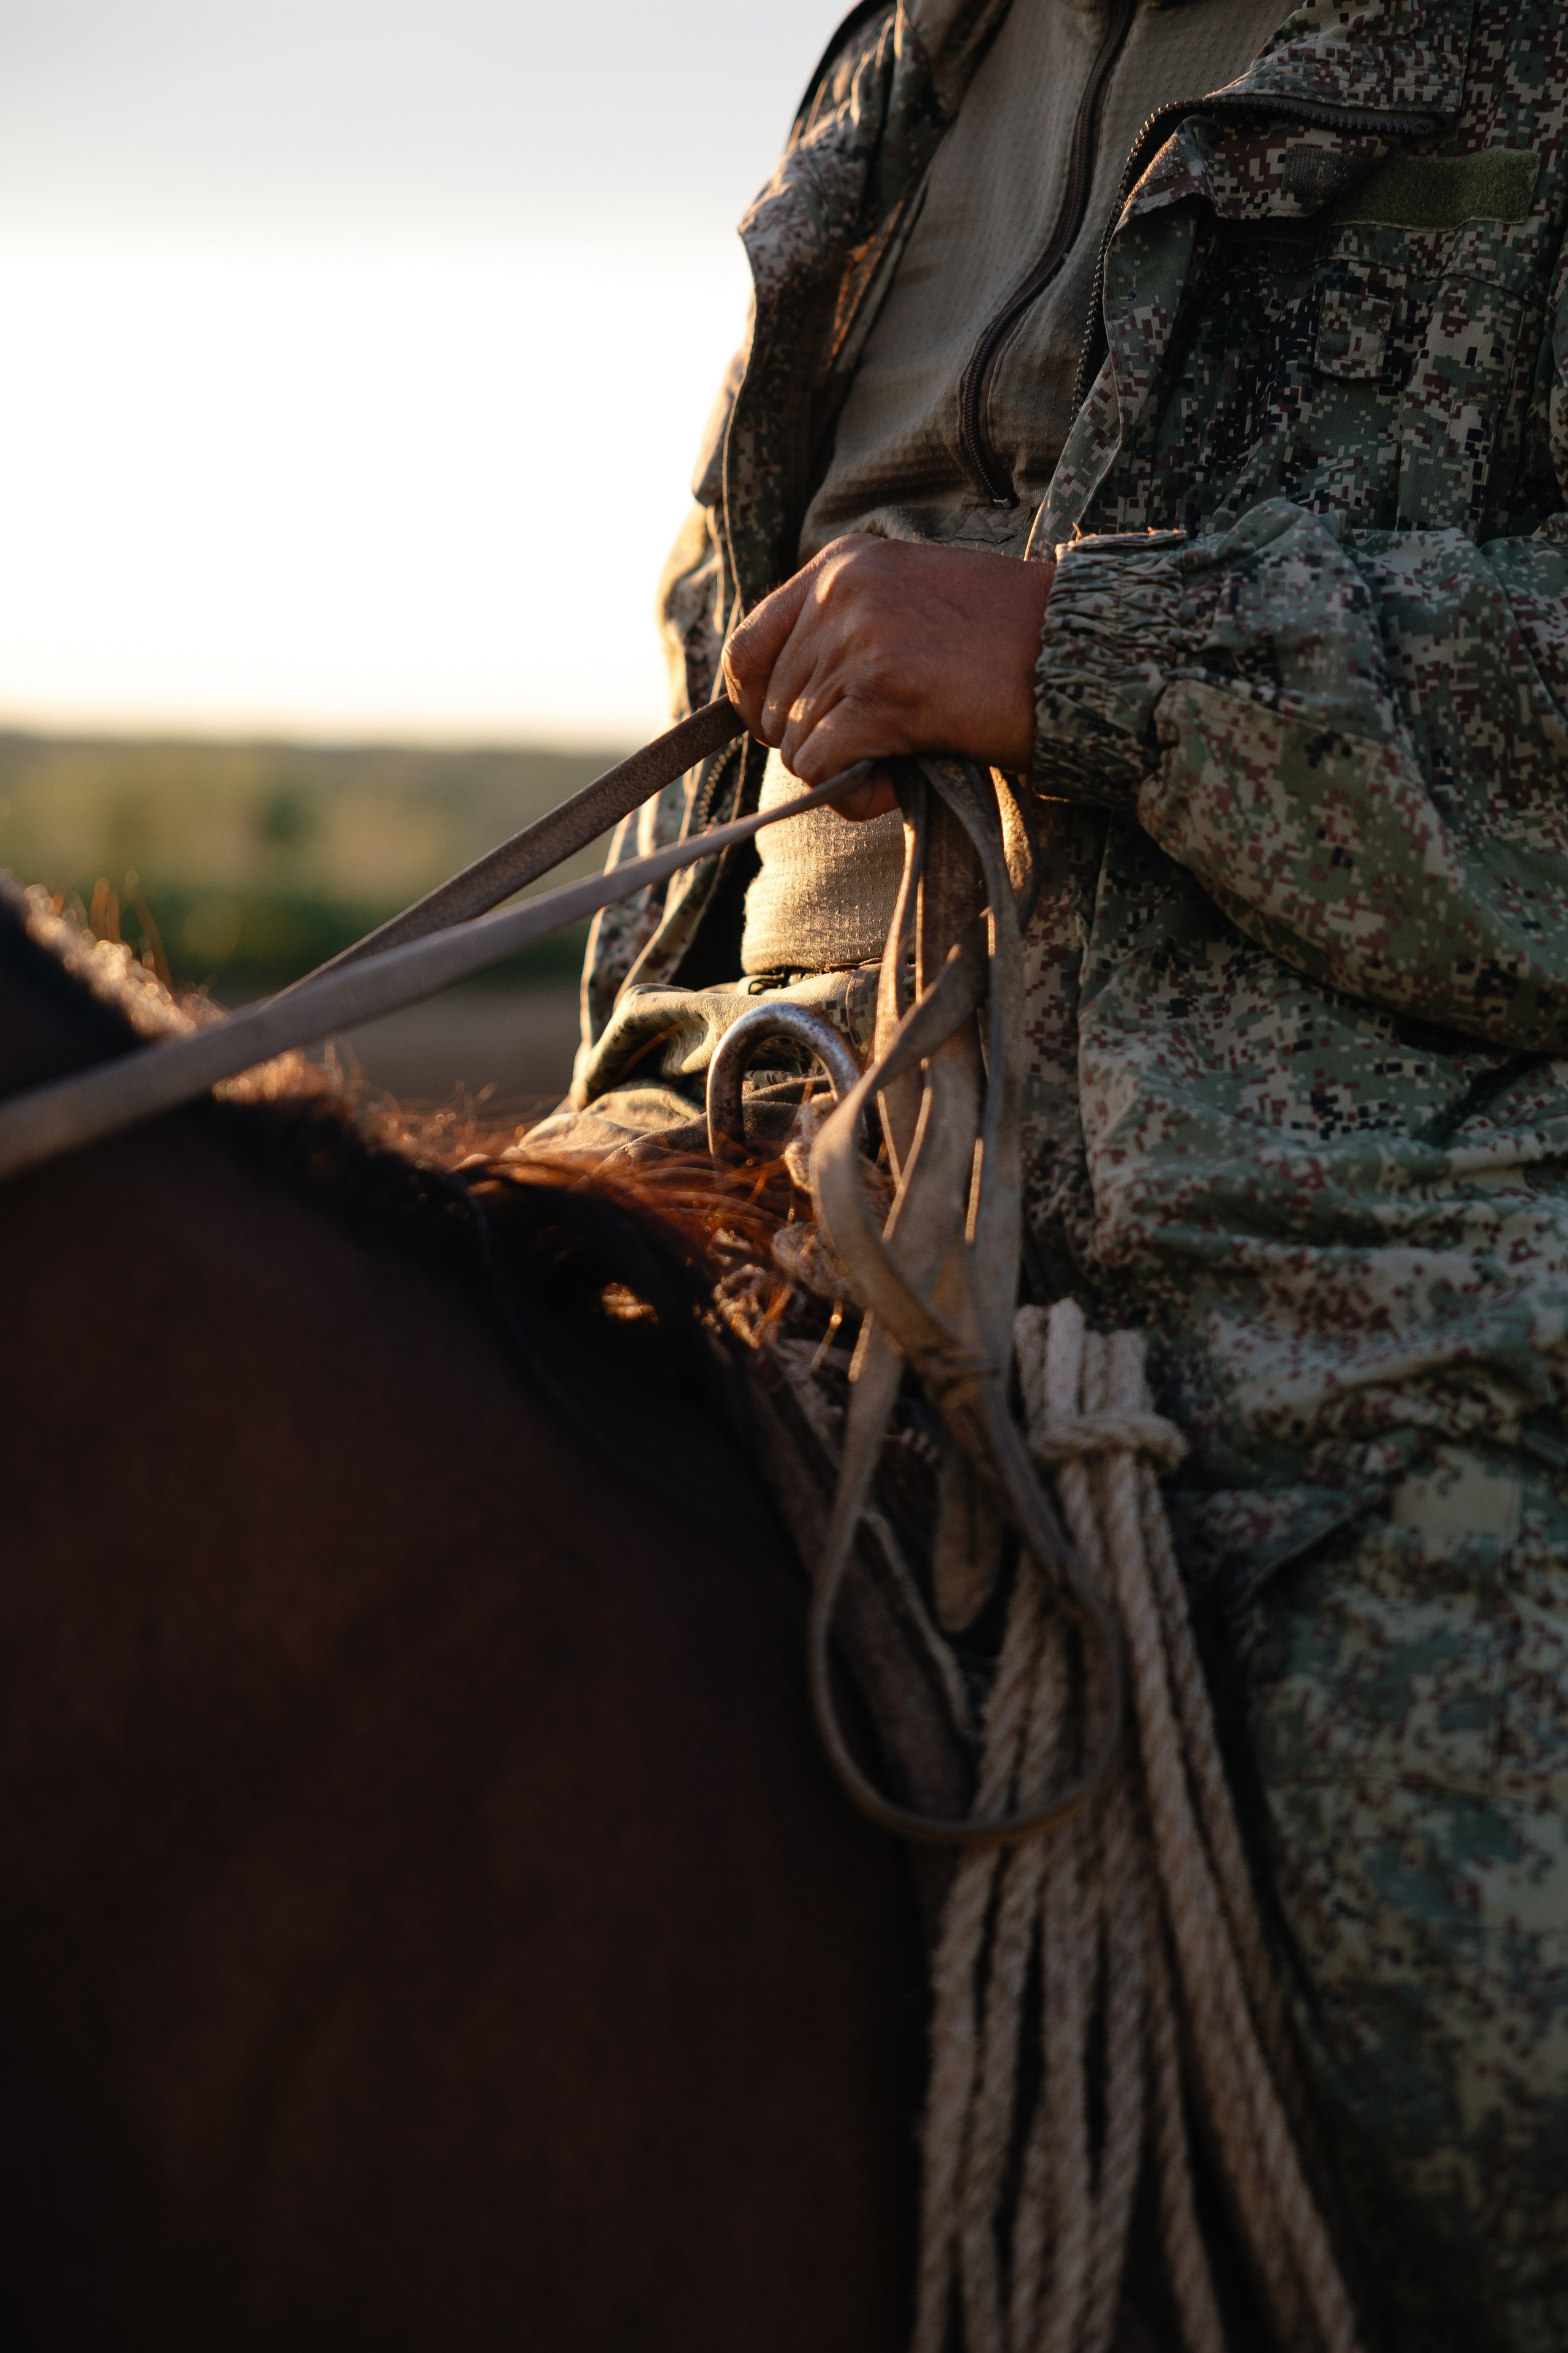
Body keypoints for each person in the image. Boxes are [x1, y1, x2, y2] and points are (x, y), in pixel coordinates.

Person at [529, 2, 1568, 2343]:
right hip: (745, 1157)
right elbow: (728, 636)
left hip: (1358, 1292)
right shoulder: (909, 52)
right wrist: (639, 1088)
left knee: (1504, 2075)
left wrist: (1093, 654)